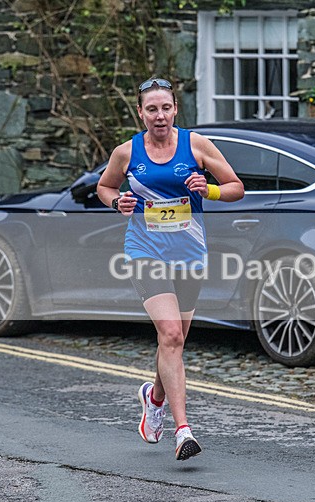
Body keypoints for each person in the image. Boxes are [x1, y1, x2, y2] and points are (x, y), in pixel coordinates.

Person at [97, 77, 244, 461]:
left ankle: (154, 396)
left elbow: (235, 187)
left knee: (174, 342)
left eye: (165, 108)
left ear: (175, 109)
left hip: (190, 254)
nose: (159, 116)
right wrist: (118, 204)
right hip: (145, 250)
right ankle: (183, 431)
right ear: (140, 113)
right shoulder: (126, 152)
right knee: (171, 334)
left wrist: (207, 189)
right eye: (151, 109)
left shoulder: (196, 145)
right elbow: (104, 187)